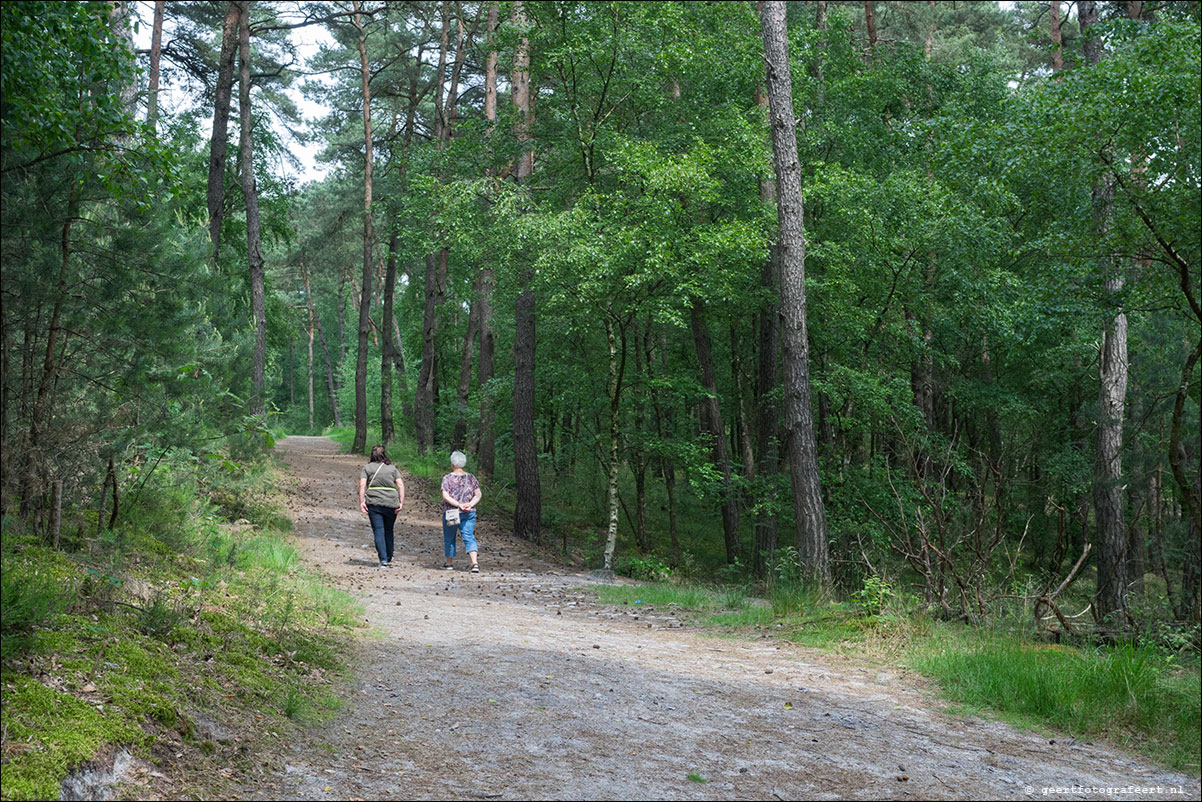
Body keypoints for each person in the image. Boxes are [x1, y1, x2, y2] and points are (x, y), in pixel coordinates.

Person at [359, 445, 405, 567]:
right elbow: (400, 485)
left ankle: (383, 559)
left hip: (374, 503)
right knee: (389, 530)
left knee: (378, 531)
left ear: (372, 455)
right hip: (391, 502)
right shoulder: (392, 468)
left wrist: (362, 501)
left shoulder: (367, 468)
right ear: (385, 454)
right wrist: (401, 502)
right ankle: (389, 556)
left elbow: (362, 485)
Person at [440, 450, 482, 572]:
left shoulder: (447, 478)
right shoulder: (471, 478)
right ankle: (475, 563)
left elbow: (445, 496)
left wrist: (459, 505)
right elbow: (478, 494)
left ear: (452, 463)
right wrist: (470, 504)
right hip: (469, 513)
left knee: (450, 536)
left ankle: (449, 563)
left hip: (452, 512)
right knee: (469, 536)